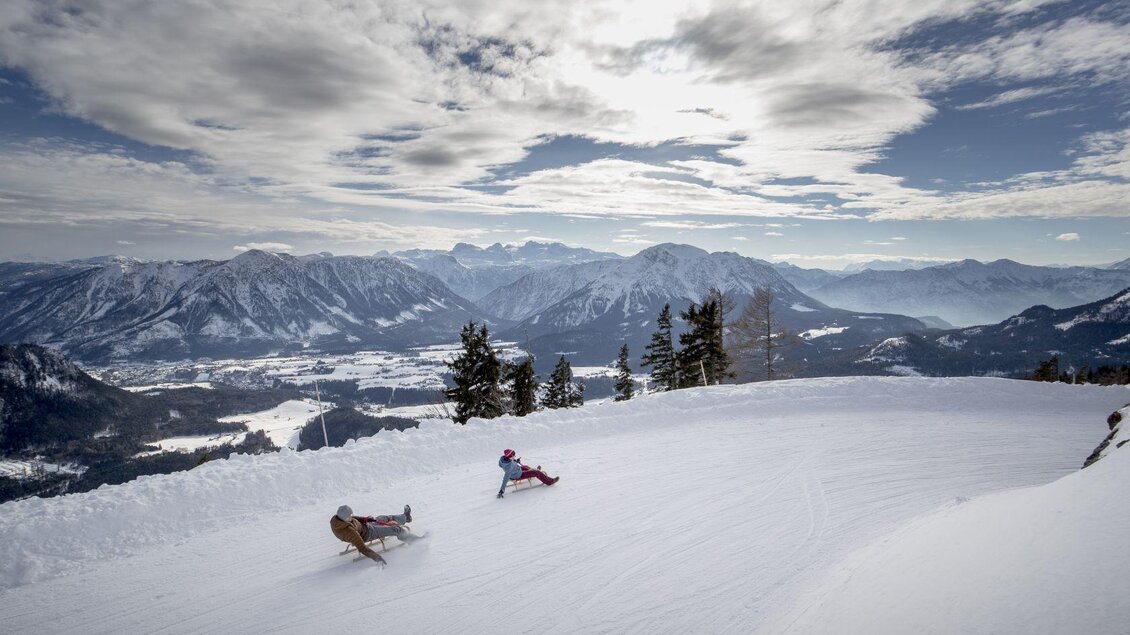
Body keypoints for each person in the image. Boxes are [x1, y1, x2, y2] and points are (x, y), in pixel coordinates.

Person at [330, 504, 420, 564]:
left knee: (383, 518)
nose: (351, 516)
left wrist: (367, 519)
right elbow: (362, 548)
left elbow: (354, 518)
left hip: (367, 526)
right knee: (395, 529)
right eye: (349, 515)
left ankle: (405, 518)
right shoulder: (349, 531)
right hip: (368, 534)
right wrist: (377, 558)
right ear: (344, 518)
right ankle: (415, 541)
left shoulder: (340, 519)